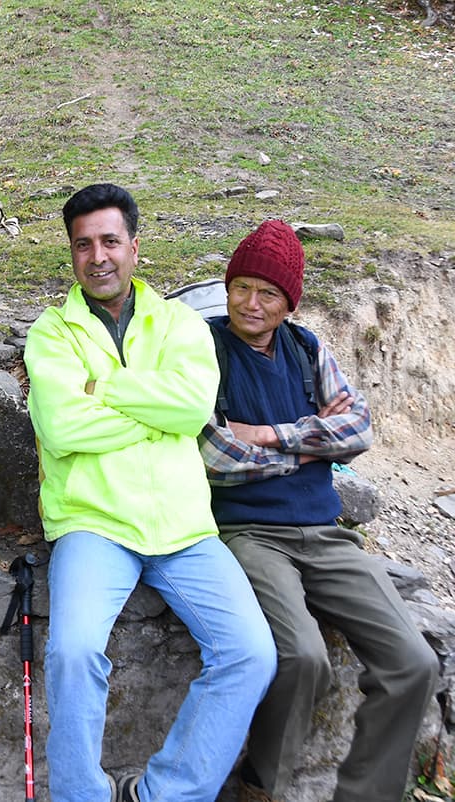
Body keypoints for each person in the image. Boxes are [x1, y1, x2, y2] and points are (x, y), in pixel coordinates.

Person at [23, 183, 276, 802]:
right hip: (93, 522)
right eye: (83, 245)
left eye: (110, 240)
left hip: (183, 527)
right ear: (73, 253)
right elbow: (60, 425)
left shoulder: (182, 323)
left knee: (251, 655)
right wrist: (153, 402)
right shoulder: (51, 333)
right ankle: (82, 795)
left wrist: (102, 390)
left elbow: (192, 408)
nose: (97, 256)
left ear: (135, 247)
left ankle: (164, 794)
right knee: (74, 652)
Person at [200, 219, 439, 802]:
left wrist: (272, 436)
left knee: (413, 662)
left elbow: (358, 428)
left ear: (289, 303)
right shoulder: (202, 347)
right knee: (303, 657)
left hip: (326, 534)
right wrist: (309, 451)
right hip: (249, 532)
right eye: (242, 287)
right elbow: (212, 454)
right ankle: (261, 787)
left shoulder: (307, 349)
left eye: (269, 294)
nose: (251, 304)